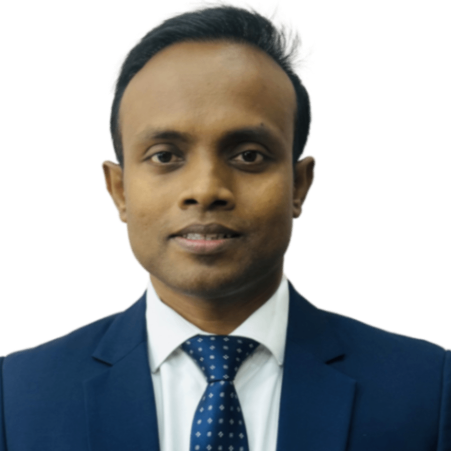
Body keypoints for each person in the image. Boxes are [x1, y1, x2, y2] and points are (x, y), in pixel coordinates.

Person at [1, 1, 449, 450]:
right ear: (119, 190)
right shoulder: (14, 395)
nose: (206, 190)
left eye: (248, 155)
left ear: (299, 185)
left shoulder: (430, 388)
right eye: (165, 156)